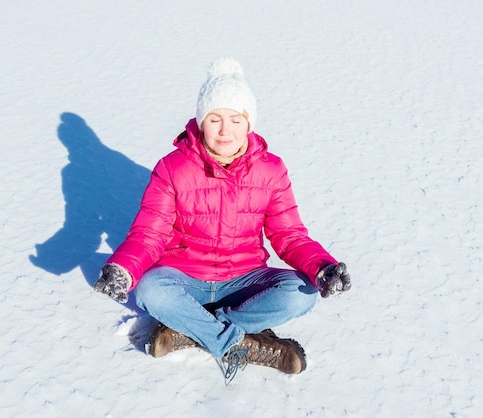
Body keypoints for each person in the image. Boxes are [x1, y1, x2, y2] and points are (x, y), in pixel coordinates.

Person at [94, 57, 351, 382]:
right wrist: (123, 270)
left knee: (302, 290)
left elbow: (290, 235)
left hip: (244, 280)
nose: (225, 130)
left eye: (235, 119)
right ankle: (242, 342)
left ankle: (190, 332)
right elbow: (149, 233)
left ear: (249, 123)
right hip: (184, 279)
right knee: (149, 289)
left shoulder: (271, 170)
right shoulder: (173, 168)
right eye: (215, 119)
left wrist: (323, 268)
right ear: (201, 122)